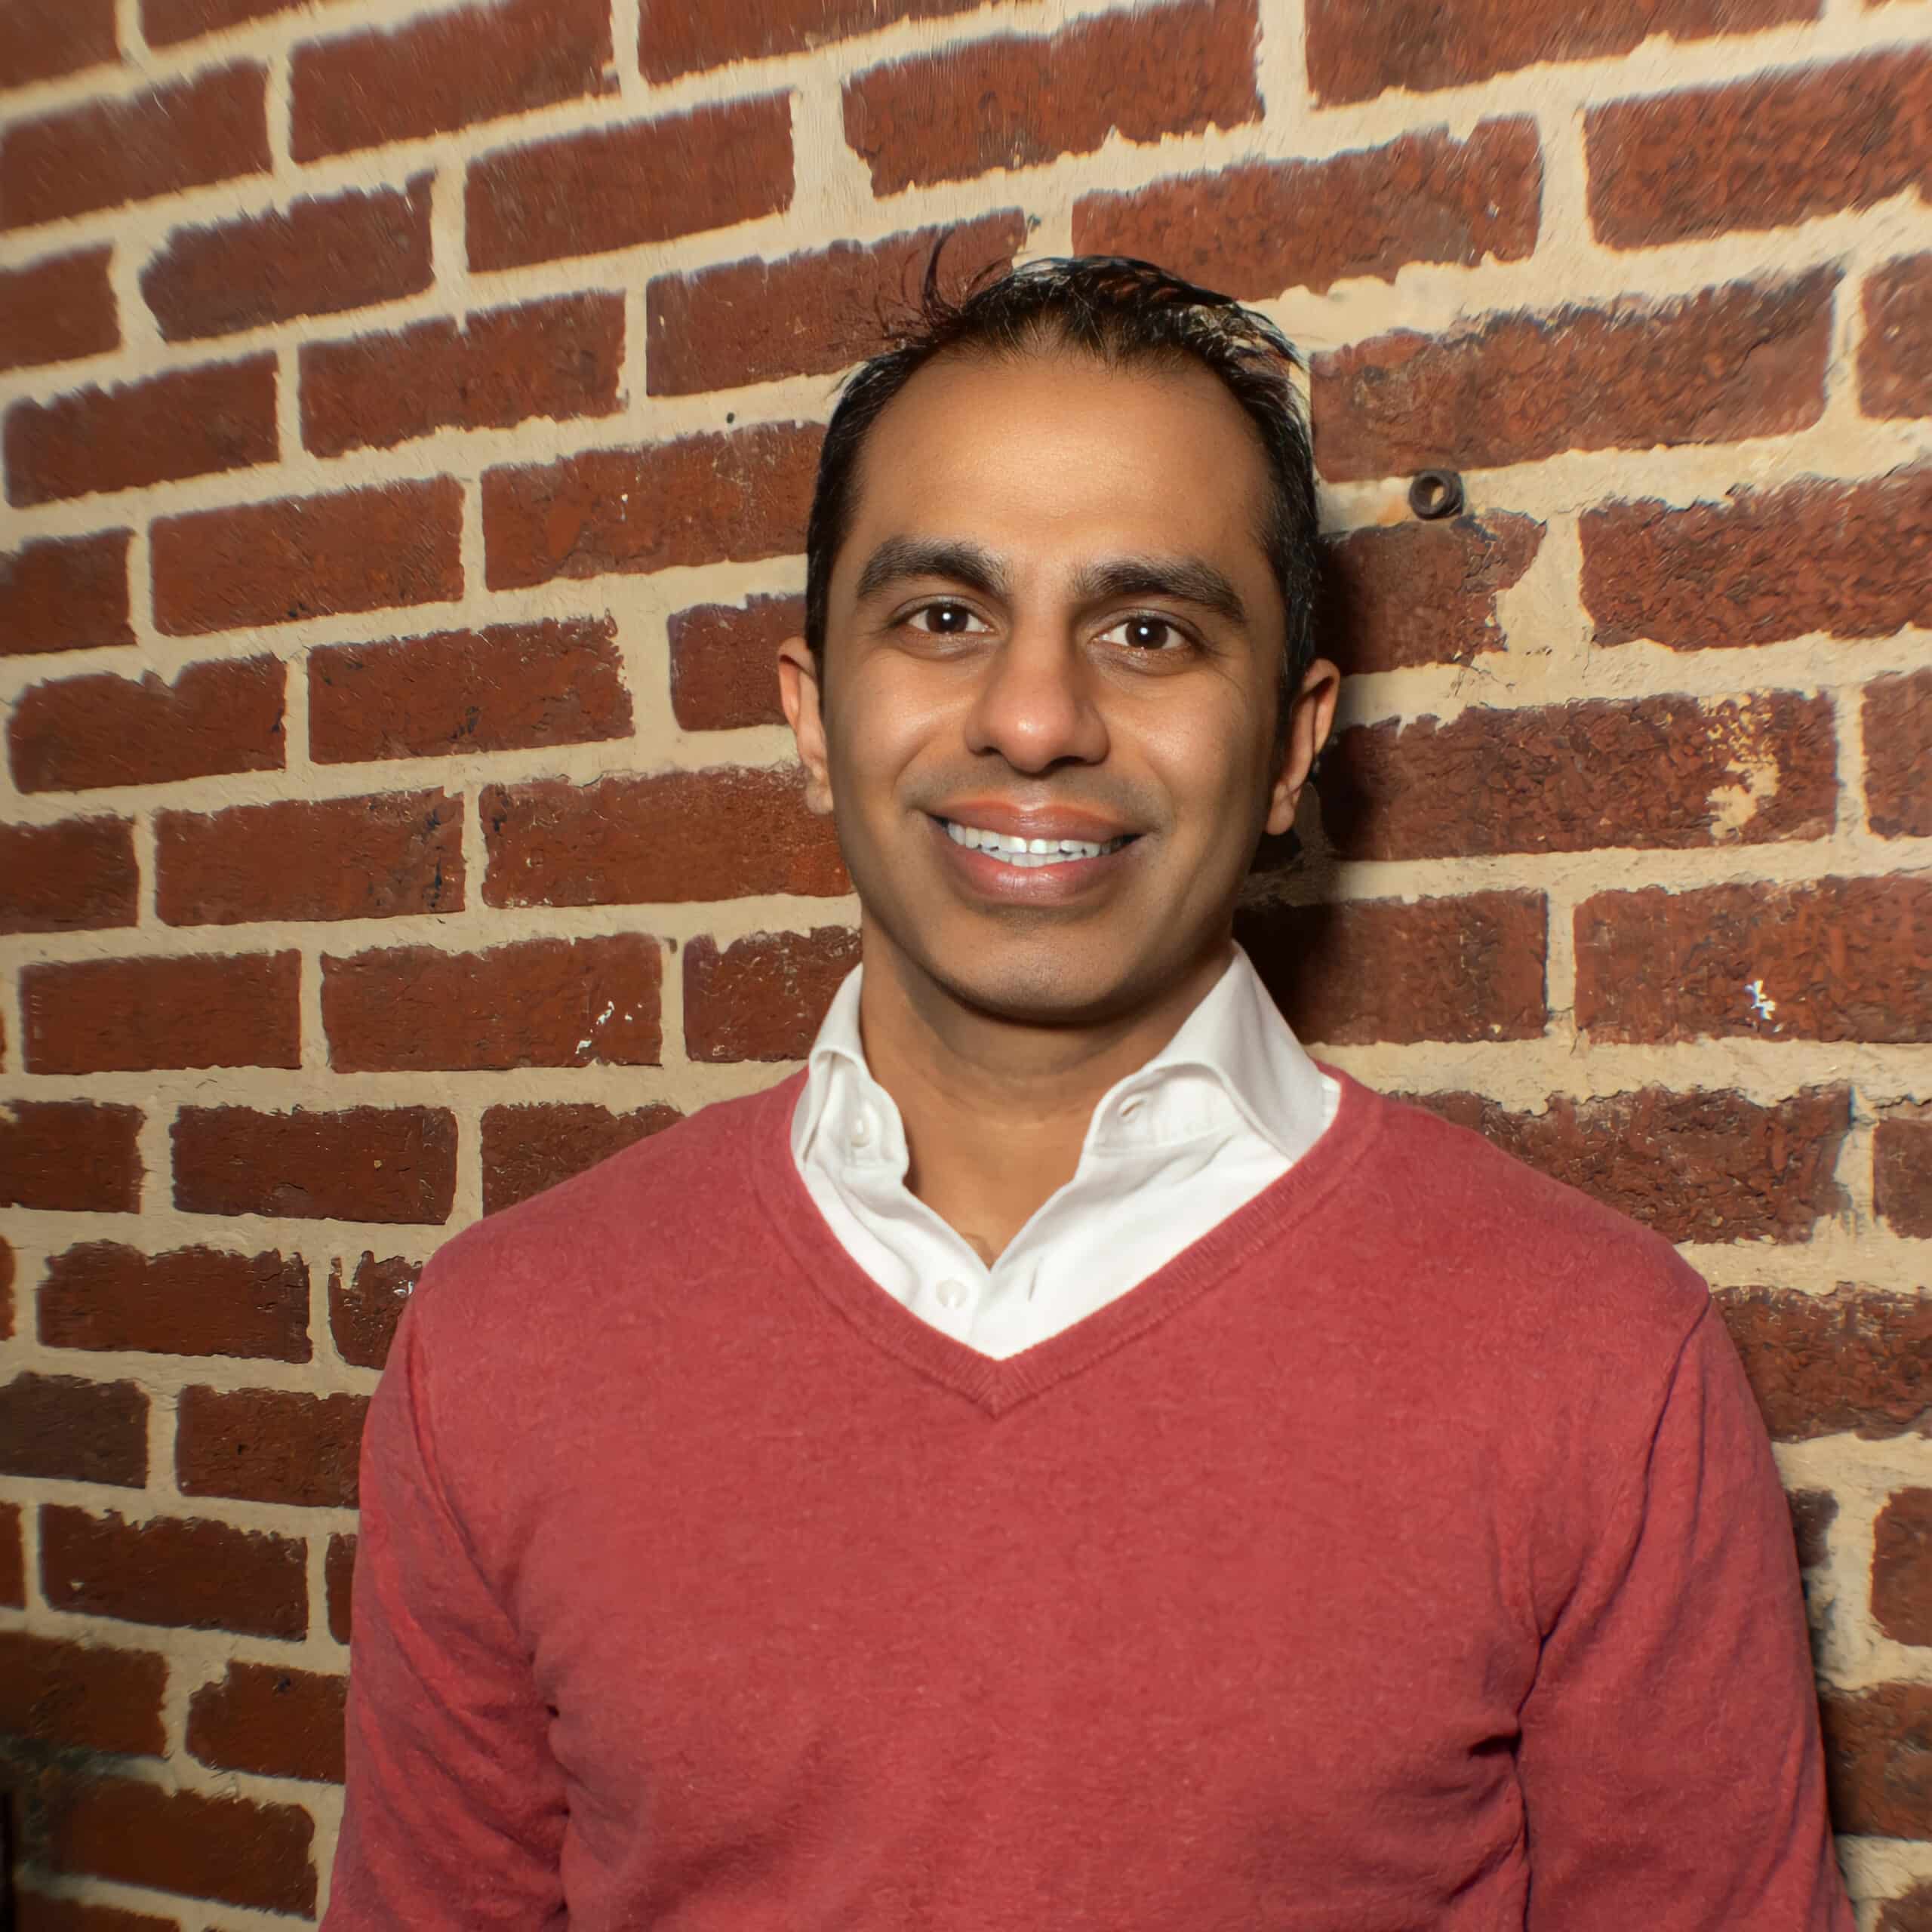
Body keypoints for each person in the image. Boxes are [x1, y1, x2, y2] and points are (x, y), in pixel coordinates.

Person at [324, 257, 1852, 1929]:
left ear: (1288, 745)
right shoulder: (503, 1340)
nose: (1035, 715)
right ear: (811, 715)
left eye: (1147, 629)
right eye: (939, 618)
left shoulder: (1598, 1364)